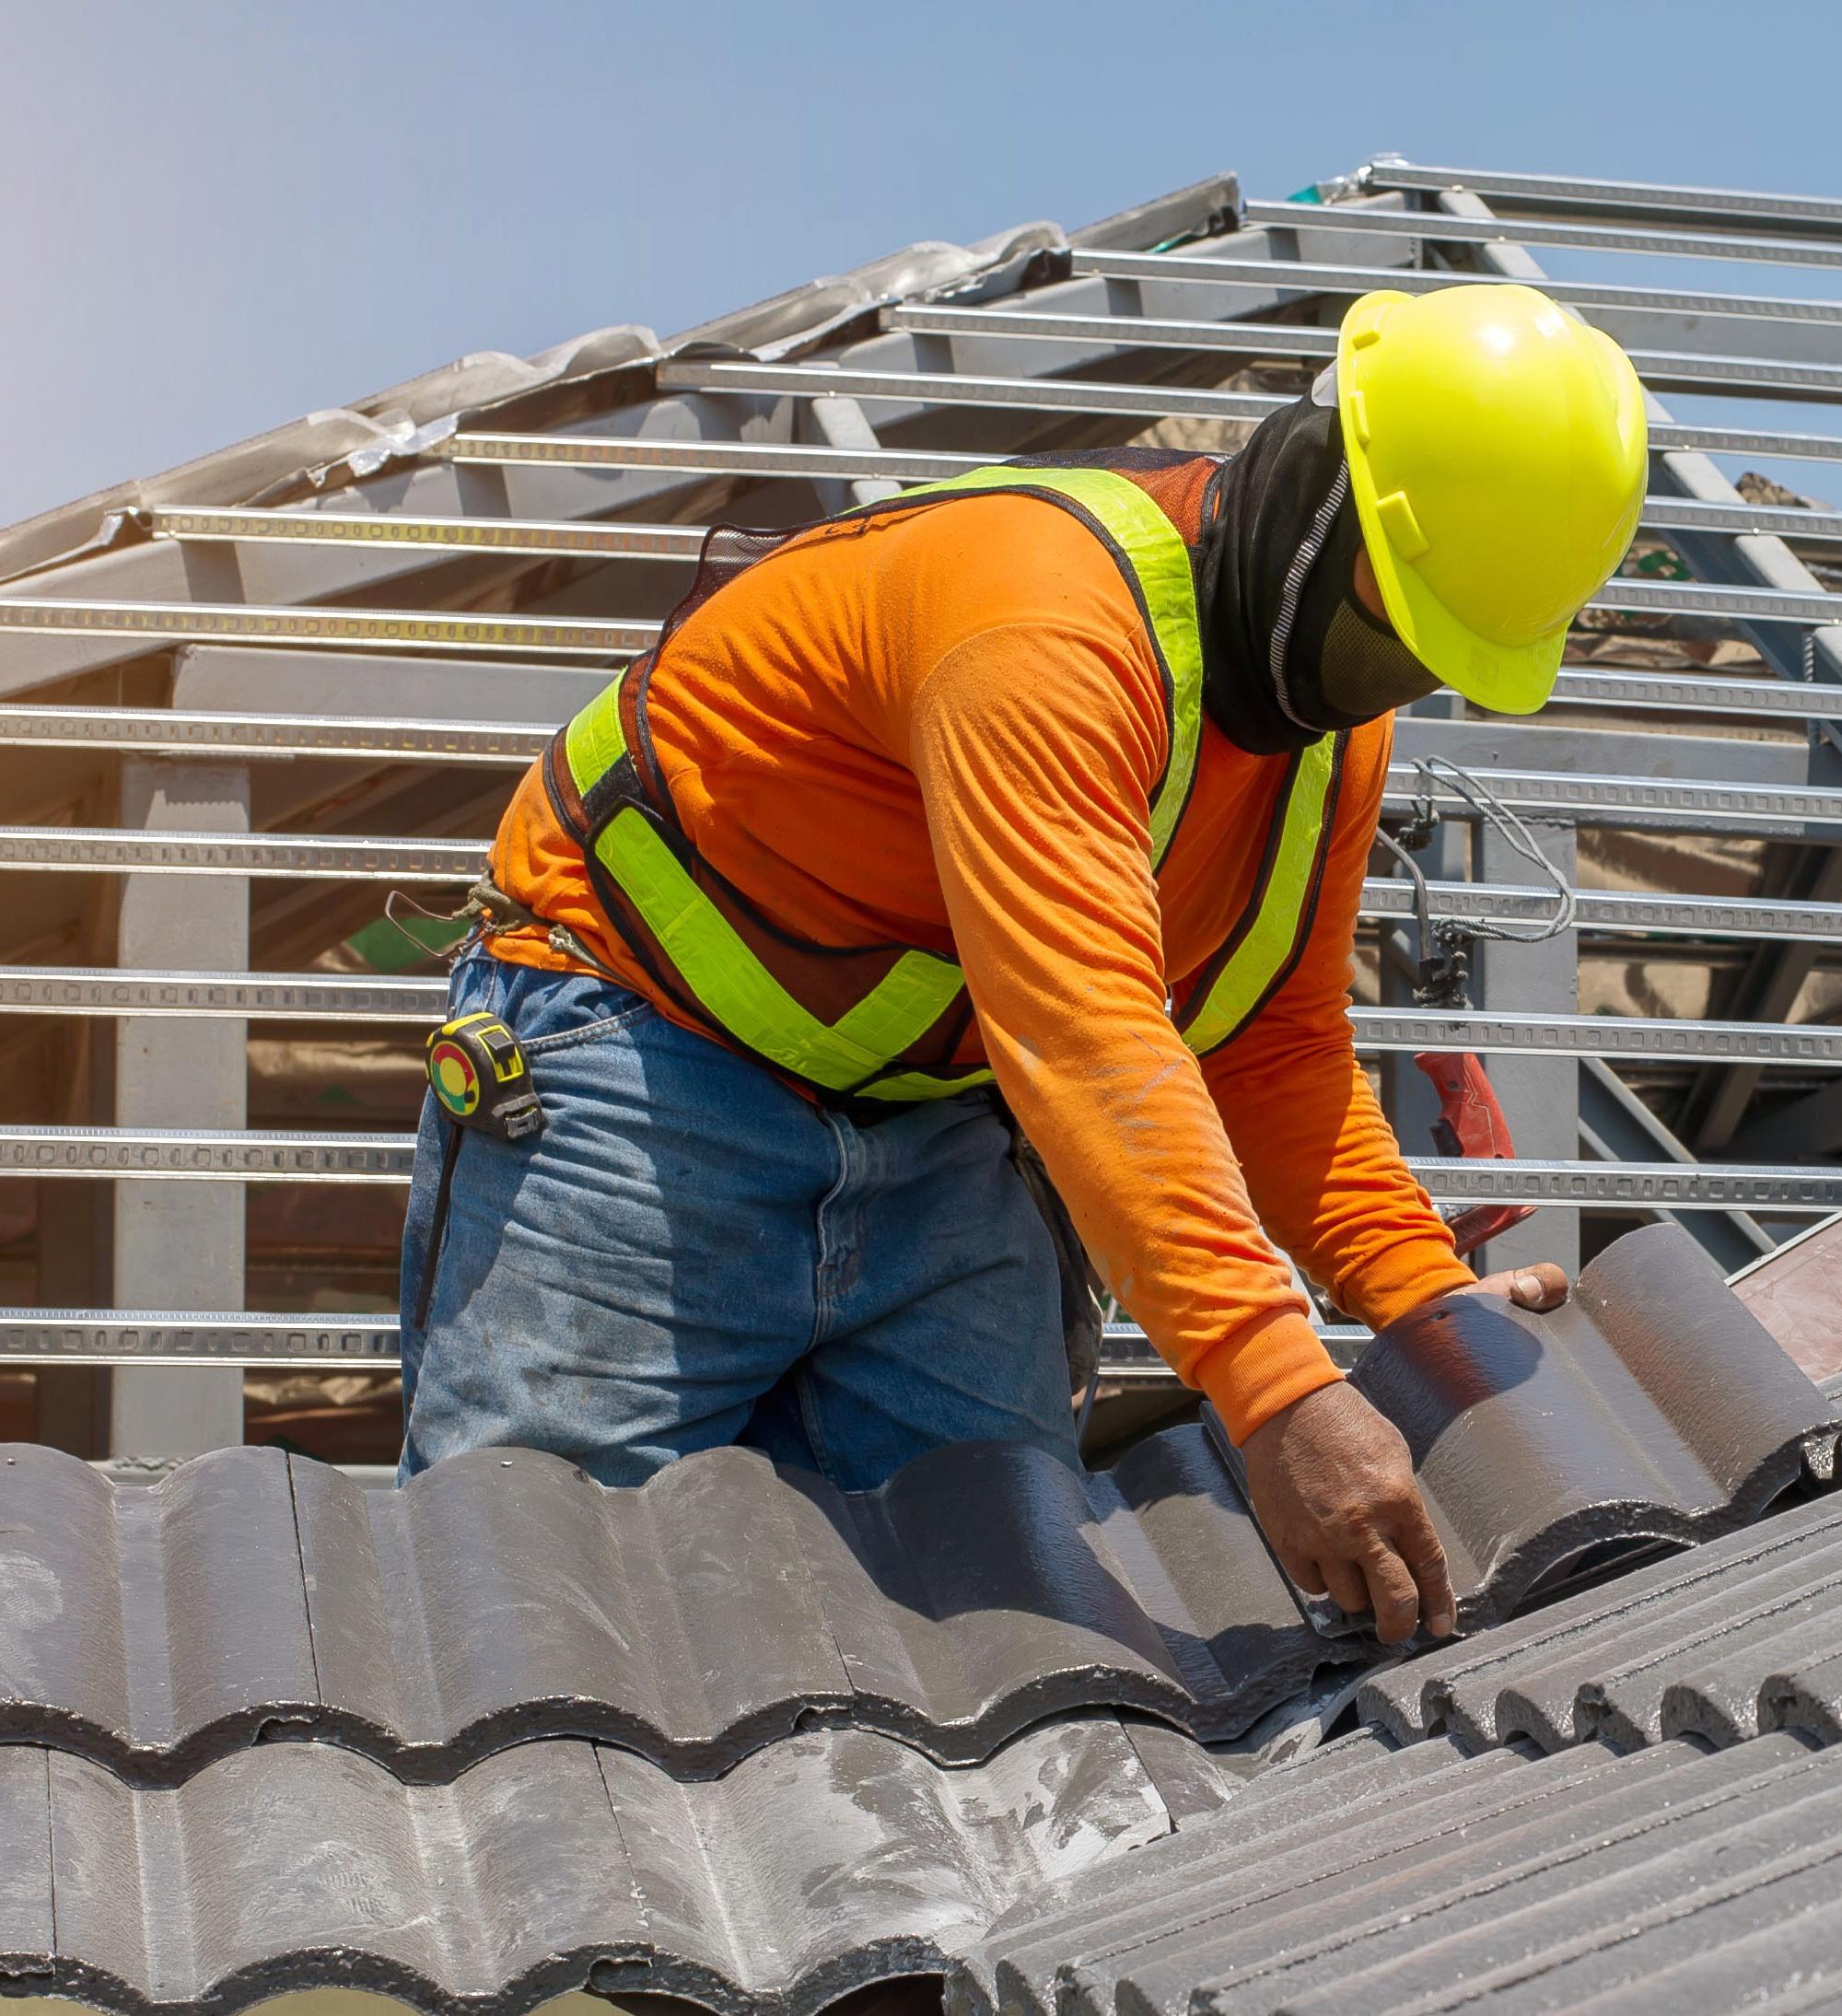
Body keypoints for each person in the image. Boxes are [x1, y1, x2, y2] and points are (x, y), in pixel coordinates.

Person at [395, 283, 1649, 1644]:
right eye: (1384, 627)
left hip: (932, 1127)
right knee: (552, 1607)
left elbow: (1275, 1044)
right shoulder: (1043, 617)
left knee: (1000, 1630)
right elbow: (1087, 1028)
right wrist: (1276, 1389)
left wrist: (1424, 1304)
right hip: (638, 1077)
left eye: (1430, 658)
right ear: (1311, 492)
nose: (1384, 681)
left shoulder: (1330, 734)